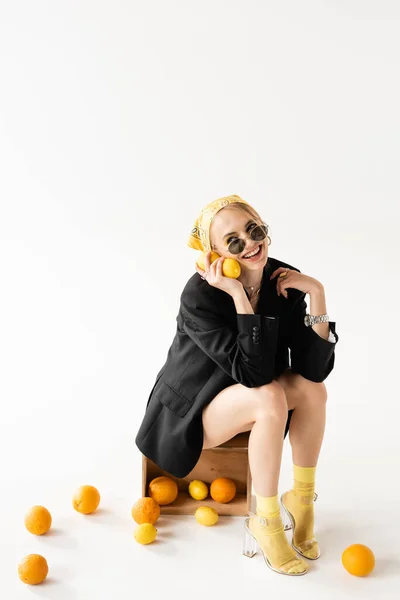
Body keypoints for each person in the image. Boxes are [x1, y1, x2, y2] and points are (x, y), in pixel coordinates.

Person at [135, 194, 339, 576]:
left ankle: (301, 500)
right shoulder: (199, 297)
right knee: (269, 396)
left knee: (314, 392)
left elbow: (314, 370)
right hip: (195, 412)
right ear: (214, 255)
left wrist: (317, 293)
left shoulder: (284, 279)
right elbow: (256, 376)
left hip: (255, 399)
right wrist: (238, 297)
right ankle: (266, 520)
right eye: (233, 241)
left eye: (253, 230)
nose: (249, 243)